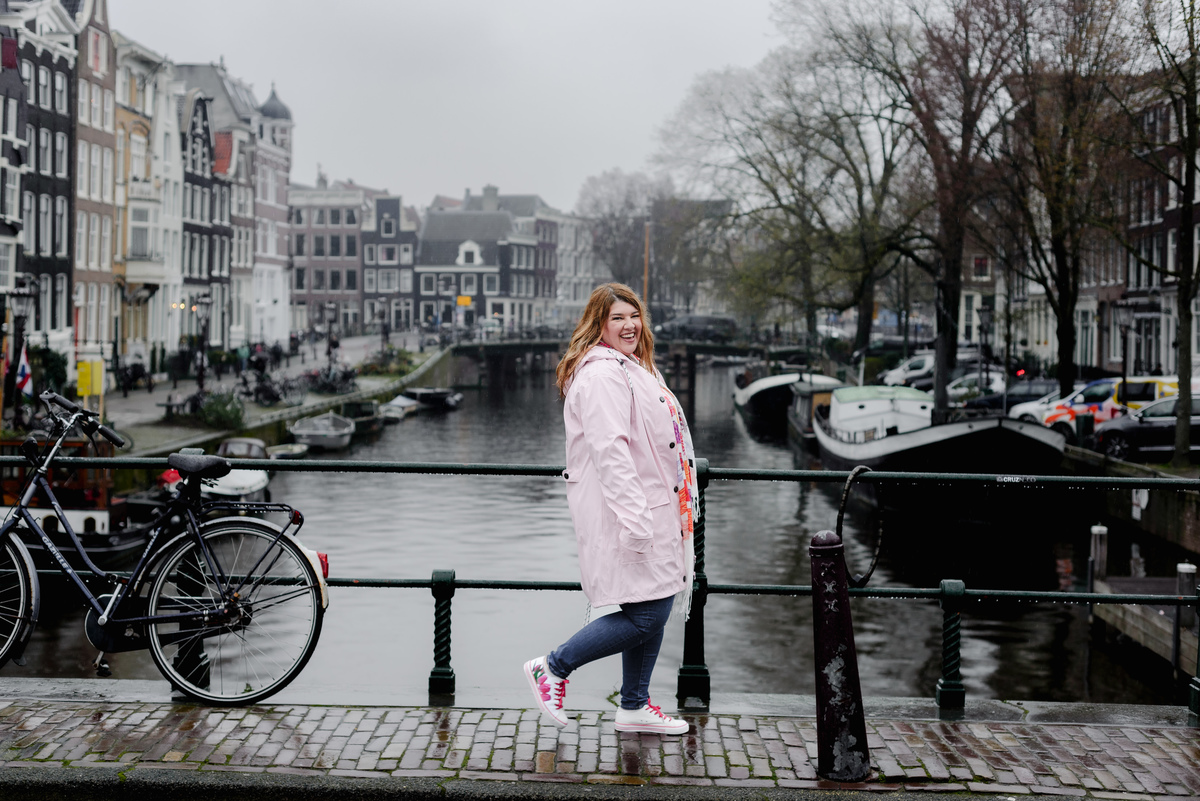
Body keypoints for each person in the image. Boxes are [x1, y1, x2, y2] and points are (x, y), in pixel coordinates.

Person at [523, 283, 696, 735]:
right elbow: (611, 452)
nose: (629, 325)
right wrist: (637, 522)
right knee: (648, 614)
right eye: (617, 318)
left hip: (649, 506)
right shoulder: (602, 376)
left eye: (633, 315)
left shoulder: (630, 368)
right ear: (598, 325)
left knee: (651, 600)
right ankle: (554, 666)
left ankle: (634, 705)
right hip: (631, 511)